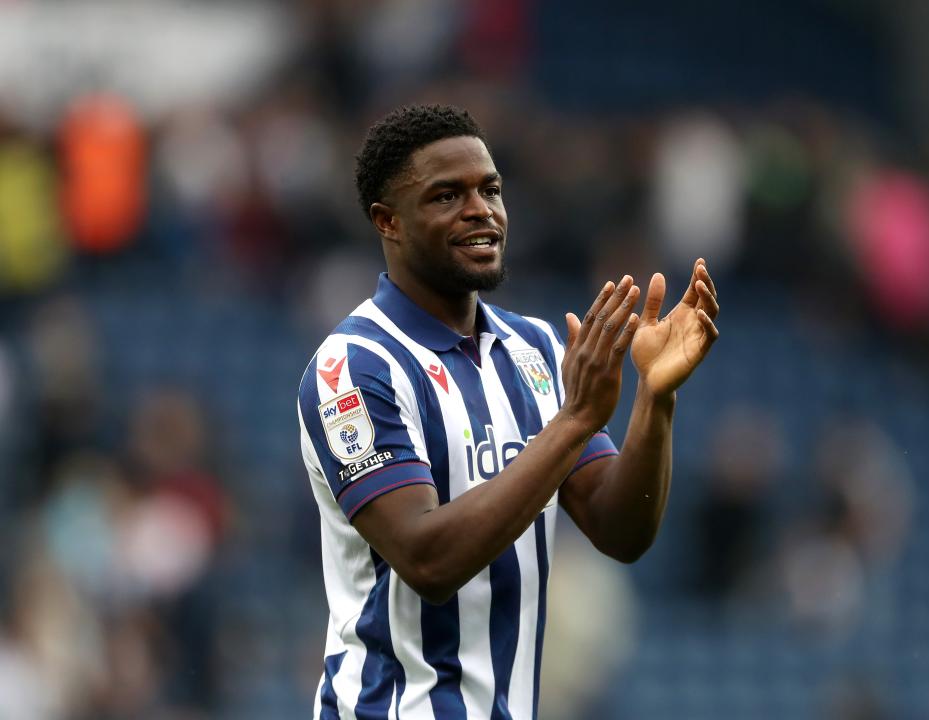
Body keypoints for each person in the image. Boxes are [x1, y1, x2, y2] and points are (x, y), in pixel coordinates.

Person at [297, 104, 719, 720]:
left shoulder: (537, 352)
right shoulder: (354, 368)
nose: (481, 210)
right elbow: (426, 559)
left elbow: (619, 529)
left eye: (490, 189)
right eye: (448, 195)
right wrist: (572, 423)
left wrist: (656, 399)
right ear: (388, 221)